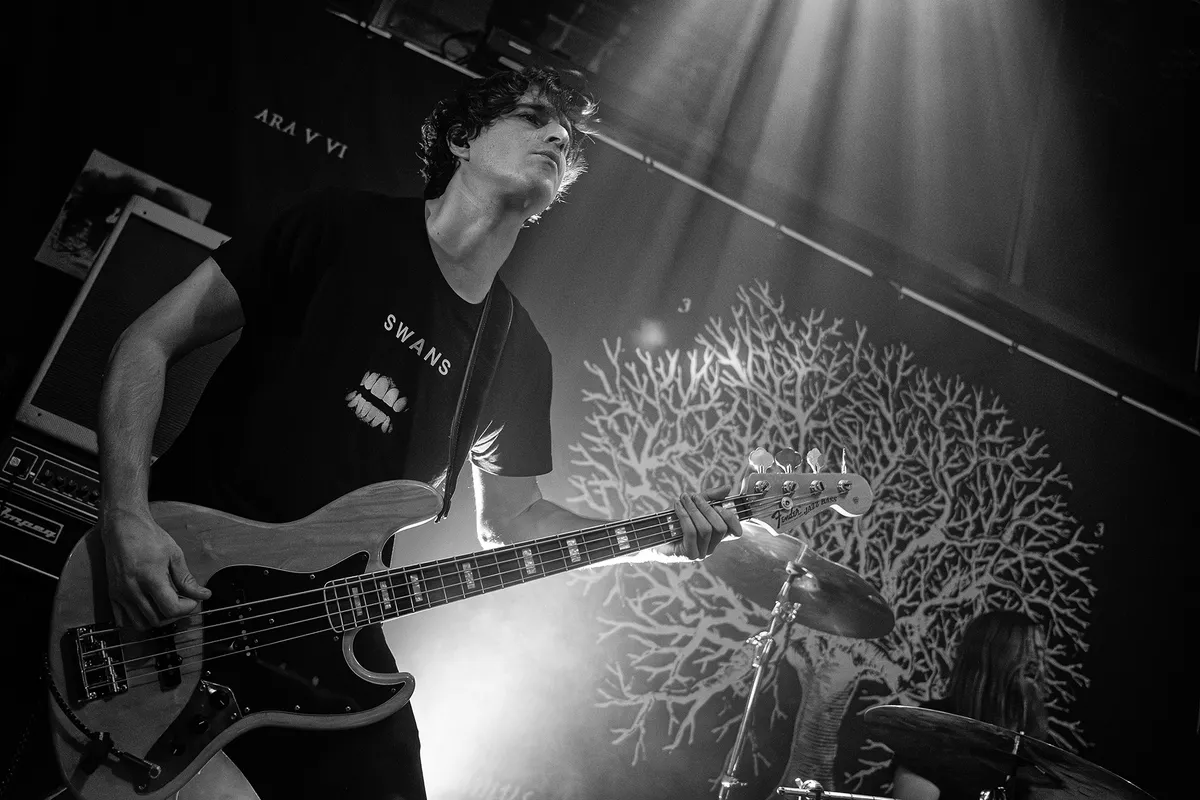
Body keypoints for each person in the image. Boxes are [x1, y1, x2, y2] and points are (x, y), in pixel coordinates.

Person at [96, 66, 742, 800]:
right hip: (181, 582)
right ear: (463, 140)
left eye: (565, 138)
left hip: (318, 632)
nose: (557, 138)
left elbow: (513, 522)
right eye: (533, 118)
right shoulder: (340, 227)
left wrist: (661, 538)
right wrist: (126, 516)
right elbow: (148, 341)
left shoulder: (512, 351)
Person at [891, 610, 1049, 800]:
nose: (1036, 663)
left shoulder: (1040, 746)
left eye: (1040, 653)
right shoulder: (934, 725)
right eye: (1025, 651)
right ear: (992, 656)